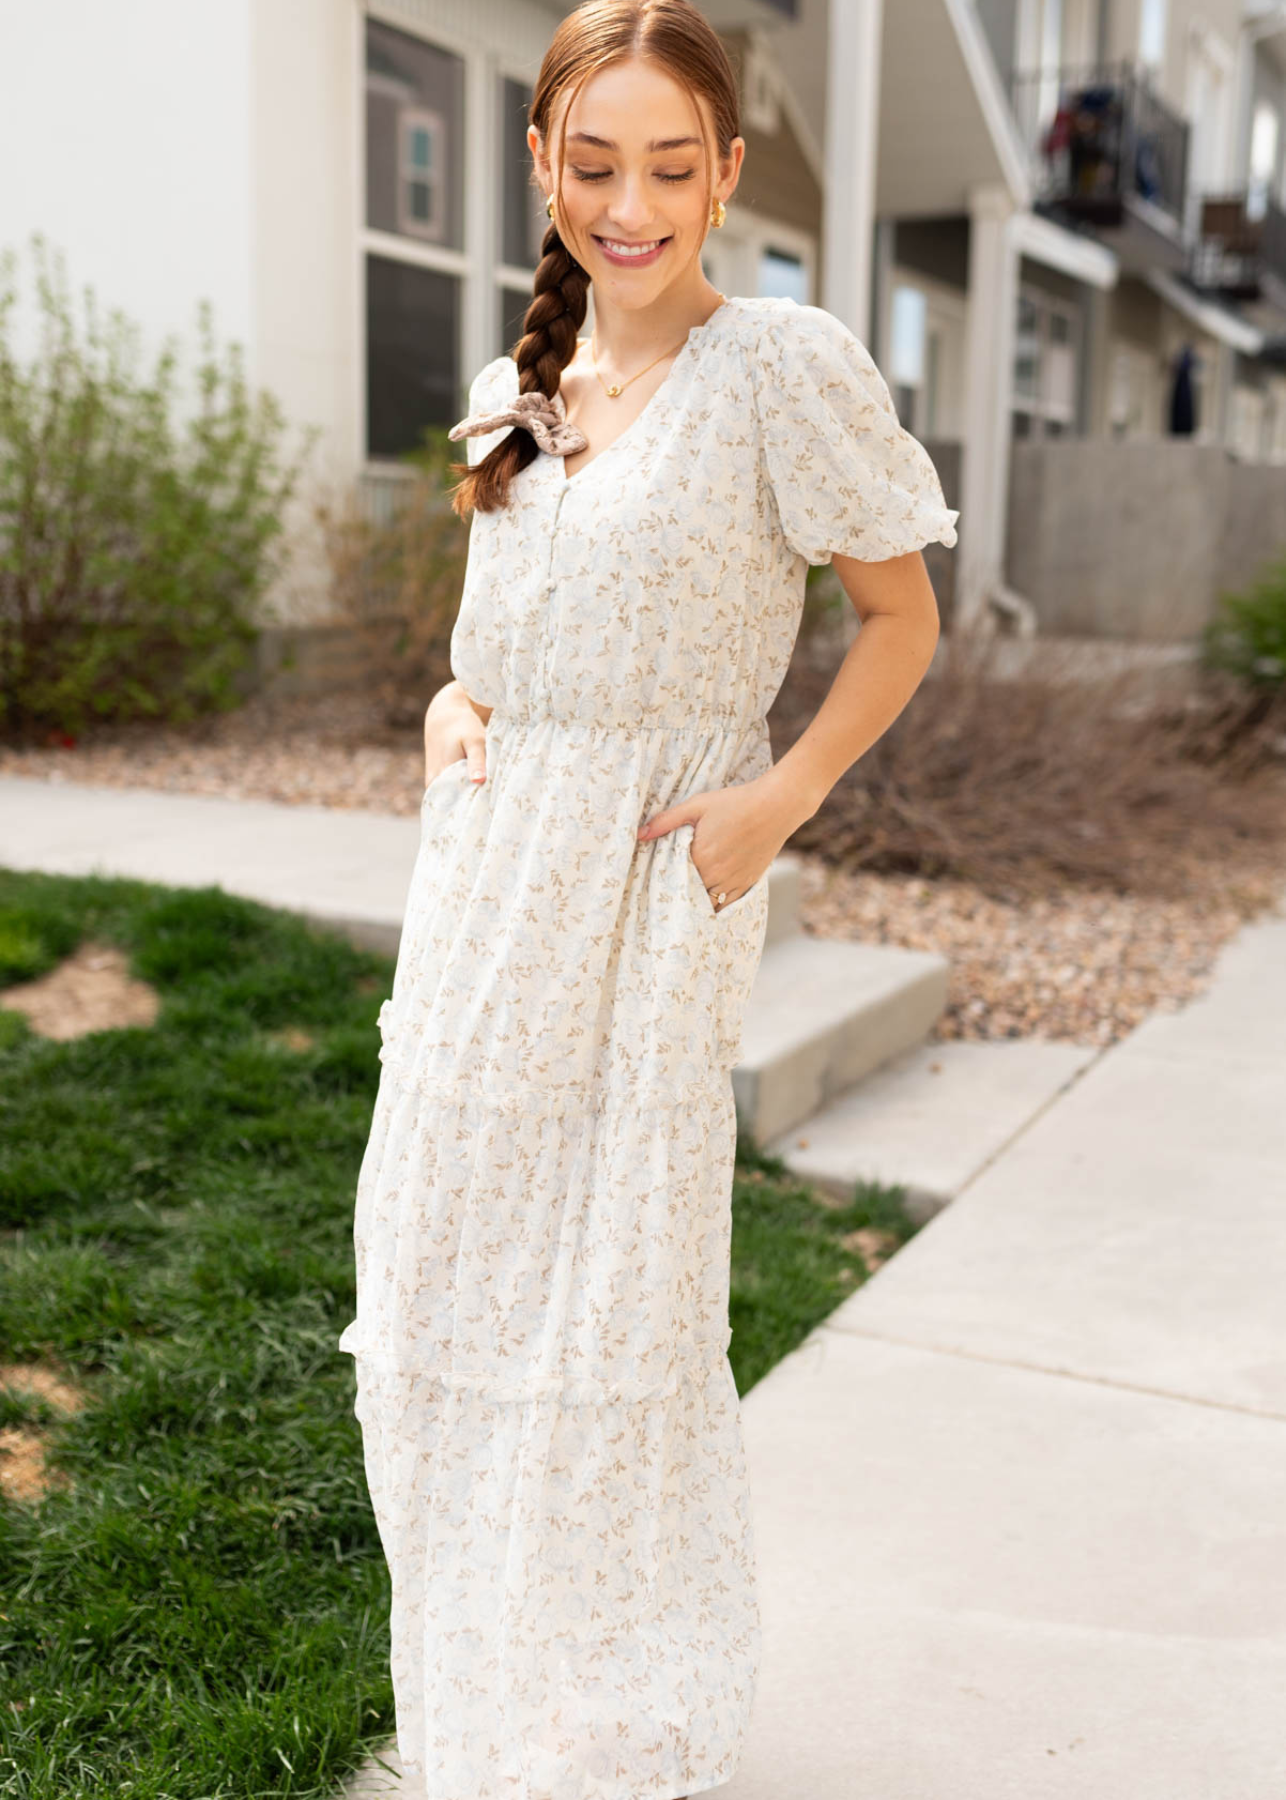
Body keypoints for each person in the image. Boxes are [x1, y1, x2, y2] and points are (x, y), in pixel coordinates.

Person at [336, 3, 959, 1796]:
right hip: (480, 902)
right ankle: (479, 1694)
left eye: (670, 169)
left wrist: (777, 799)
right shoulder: (507, 390)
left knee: (607, 1311)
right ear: (539, 165)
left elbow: (898, 618)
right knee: (444, 1280)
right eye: (593, 164)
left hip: (645, 903)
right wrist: (457, 707)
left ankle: (601, 1723)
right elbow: (496, 639)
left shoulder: (782, 367)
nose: (630, 204)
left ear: (727, 176)